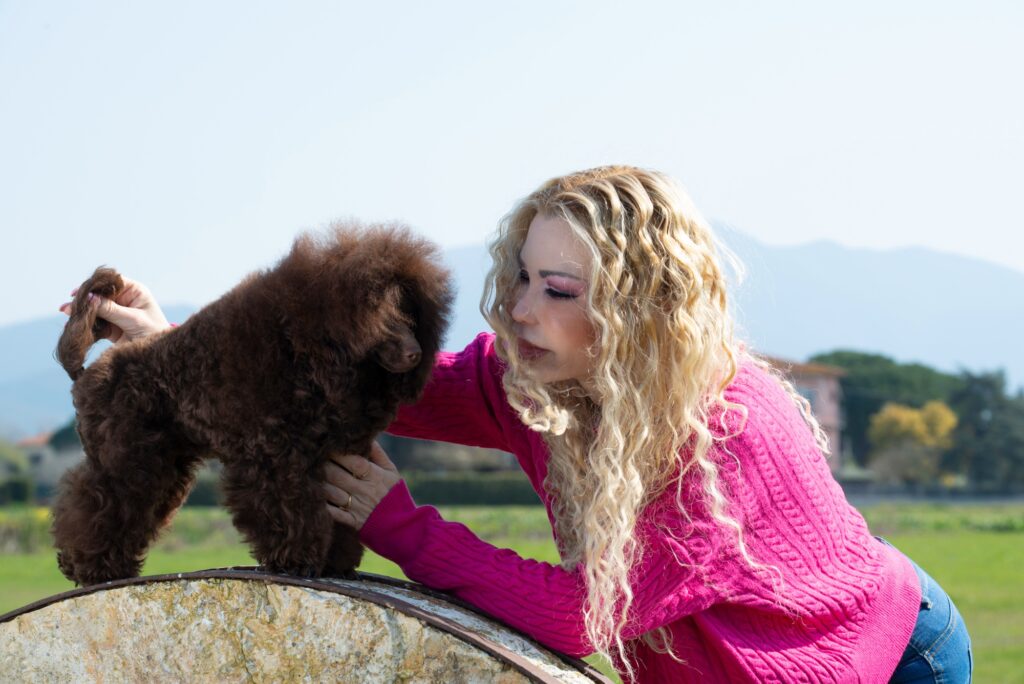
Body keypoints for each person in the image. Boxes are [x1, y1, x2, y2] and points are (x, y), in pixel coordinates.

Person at [61, 166, 972, 682]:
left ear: (642, 308)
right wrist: (174, 347)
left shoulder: (720, 437)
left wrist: (400, 526)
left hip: (888, 659)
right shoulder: (532, 380)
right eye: (521, 278)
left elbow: (582, 619)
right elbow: (349, 378)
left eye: (559, 290)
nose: (521, 311)